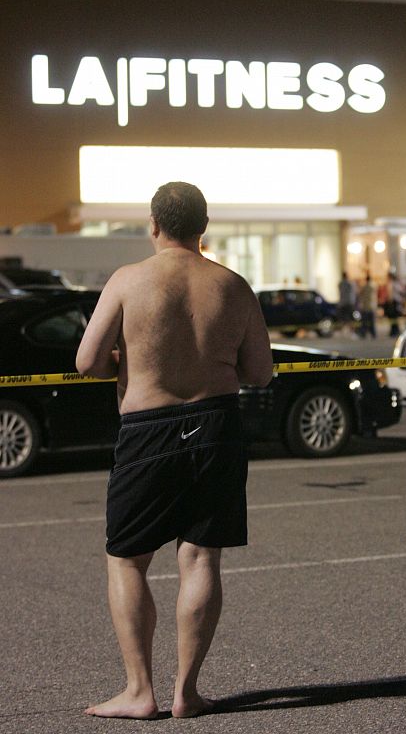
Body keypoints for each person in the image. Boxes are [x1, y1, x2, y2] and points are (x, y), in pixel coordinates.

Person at [76, 181, 273, 720]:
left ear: (154, 225)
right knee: (200, 556)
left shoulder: (128, 280)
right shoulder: (233, 286)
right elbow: (260, 372)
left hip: (149, 427)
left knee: (127, 559)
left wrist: (131, 359)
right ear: (202, 227)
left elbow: (87, 361)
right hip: (217, 425)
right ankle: (187, 691)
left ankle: (140, 690)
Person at [385, 269, 406, 337]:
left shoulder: (393, 283)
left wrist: (389, 302)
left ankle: (394, 331)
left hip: (394, 302)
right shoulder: (397, 283)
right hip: (396, 302)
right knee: (394, 317)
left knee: (393, 317)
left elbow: (391, 294)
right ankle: (394, 330)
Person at [358, 272, 378, 338]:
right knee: (372, 322)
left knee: (364, 322)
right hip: (371, 306)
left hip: (365, 306)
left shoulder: (364, 287)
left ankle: (363, 334)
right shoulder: (373, 286)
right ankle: (373, 334)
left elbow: (360, 295)